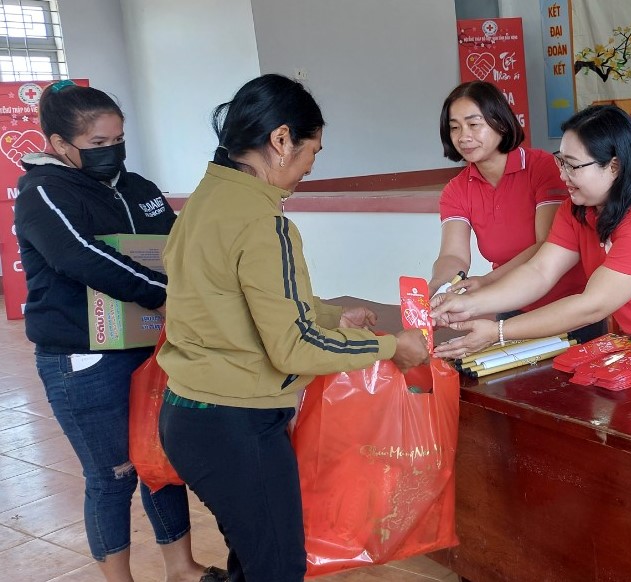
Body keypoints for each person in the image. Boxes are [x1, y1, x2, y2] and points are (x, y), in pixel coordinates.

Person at [156, 73, 429, 582]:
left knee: (254, 556)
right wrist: (390, 346)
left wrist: (330, 317)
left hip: (188, 415)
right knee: (278, 568)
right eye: (312, 152)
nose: (310, 167)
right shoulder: (265, 222)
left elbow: (238, 301)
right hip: (235, 423)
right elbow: (294, 347)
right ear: (281, 140)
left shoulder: (206, 200)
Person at [13, 81, 225, 582]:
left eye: (118, 140)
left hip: (150, 346)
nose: (112, 152)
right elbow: (80, 256)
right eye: (98, 144)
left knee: (159, 462)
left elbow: (177, 245)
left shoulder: (138, 188)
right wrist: (164, 293)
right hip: (84, 357)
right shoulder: (43, 192)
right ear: (60, 144)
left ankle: (182, 568)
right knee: (112, 475)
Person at [430, 104, 631, 370]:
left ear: (614, 166)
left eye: (573, 166)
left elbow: (592, 305)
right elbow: (539, 272)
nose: (563, 175)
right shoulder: (577, 209)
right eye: (561, 161)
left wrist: (498, 332)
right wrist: (468, 304)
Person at [429, 81, 604, 342]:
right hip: (511, 305)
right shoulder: (456, 190)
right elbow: (453, 255)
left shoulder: (543, 167)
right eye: (454, 127)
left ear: (500, 122)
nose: (463, 136)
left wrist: (488, 281)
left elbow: (546, 244)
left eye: (474, 124)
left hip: (570, 307)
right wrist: (438, 288)